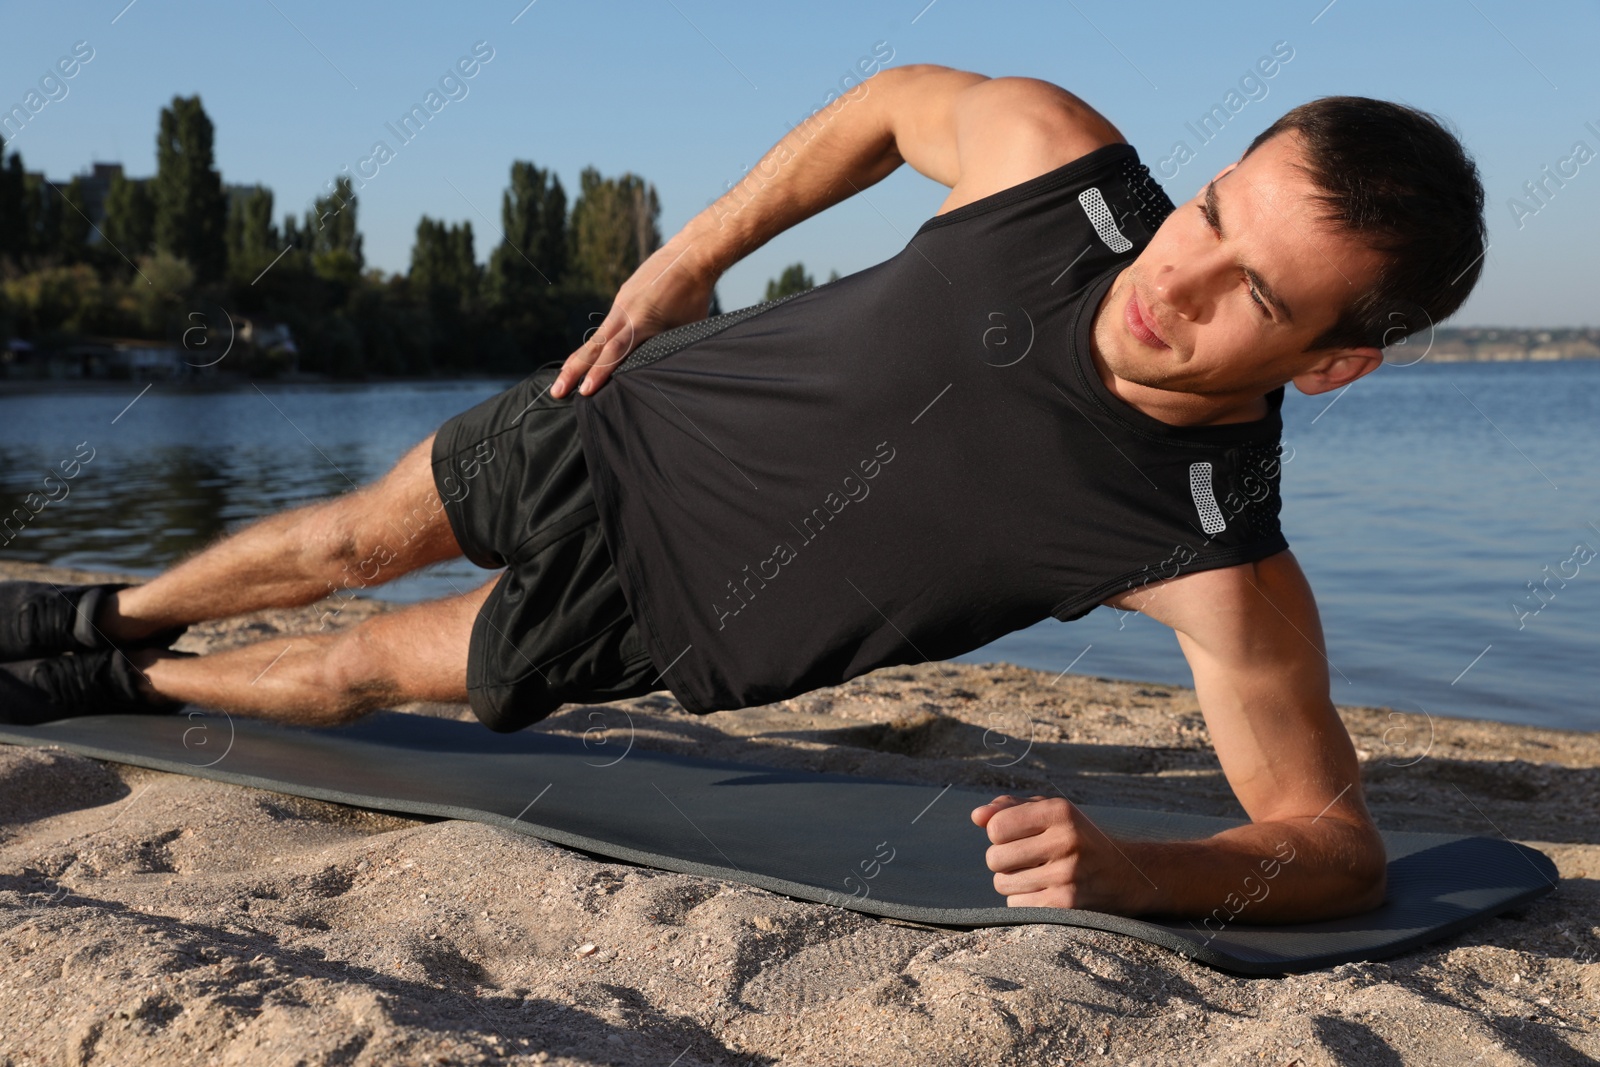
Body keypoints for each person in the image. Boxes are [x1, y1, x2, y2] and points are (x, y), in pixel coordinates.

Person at [0, 64, 1485, 922]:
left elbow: (1335, 844)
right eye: (1217, 211)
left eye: (1255, 295)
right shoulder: (1059, 168)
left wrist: (1131, 866)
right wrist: (690, 254)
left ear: (1333, 365)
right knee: (339, 541)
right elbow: (895, 105)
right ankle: (97, 606)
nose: (1184, 274)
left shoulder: (1213, 547)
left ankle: (114, 681)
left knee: (359, 660)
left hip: (672, 615)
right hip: (620, 419)